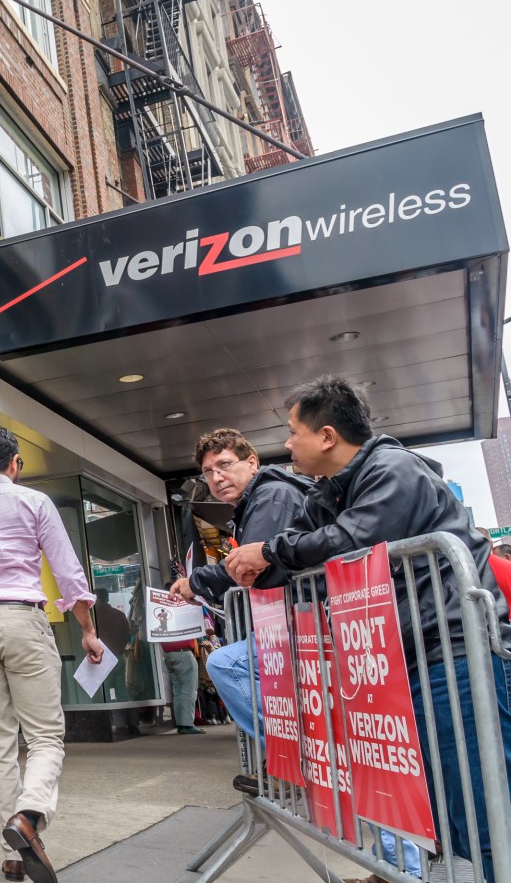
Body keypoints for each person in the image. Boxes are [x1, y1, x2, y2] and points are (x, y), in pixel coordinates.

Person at [226, 375, 511, 880]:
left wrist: (267, 551)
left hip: (454, 656)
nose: (287, 444)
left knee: (483, 808)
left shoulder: (393, 469)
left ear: (328, 436)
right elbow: (301, 544)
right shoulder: (329, 491)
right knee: (445, 810)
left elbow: (351, 538)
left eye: (294, 432)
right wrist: (260, 562)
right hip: (401, 662)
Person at [0, 427, 105, 883]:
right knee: (46, 736)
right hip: (23, 618)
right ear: (15, 463)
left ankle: (10, 853)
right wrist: (87, 630)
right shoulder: (34, 503)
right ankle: (29, 817)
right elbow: (69, 574)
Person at [171, 428, 310, 737]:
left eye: (225, 465)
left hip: (304, 621)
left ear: (252, 463)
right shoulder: (258, 500)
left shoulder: (273, 495)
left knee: (225, 664)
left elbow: (247, 567)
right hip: (290, 620)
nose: (217, 477)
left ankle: (289, 748)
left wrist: (194, 583)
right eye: (208, 471)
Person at [161, 619, 204, 735]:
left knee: (178, 690)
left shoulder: (164, 621)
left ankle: (181, 724)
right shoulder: (180, 615)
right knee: (189, 690)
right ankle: (187, 724)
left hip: (168, 653)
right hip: (183, 652)